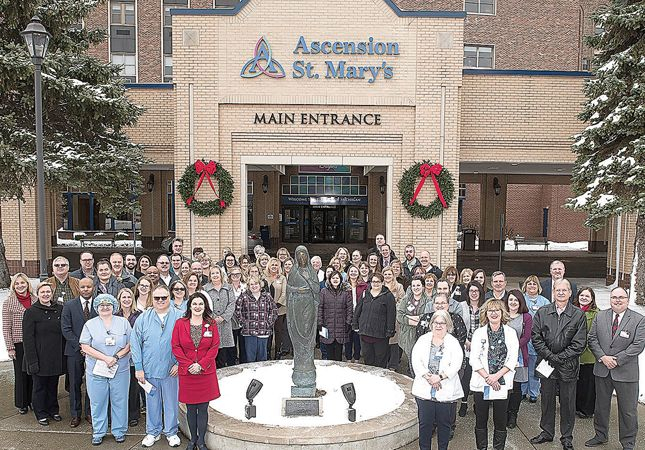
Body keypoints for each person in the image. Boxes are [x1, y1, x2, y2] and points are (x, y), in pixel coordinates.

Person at [585, 287, 645, 450]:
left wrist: (617, 360)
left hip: (626, 373)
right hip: (602, 369)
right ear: (610, 299)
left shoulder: (639, 319)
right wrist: (603, 357)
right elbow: (592, 339)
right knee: (601, 406)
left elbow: (638, 345)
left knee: (628, 410)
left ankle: (628, 442)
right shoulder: (600, 316)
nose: (617, 300)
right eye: (614, 297)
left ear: (627, 299)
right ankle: (600, 435)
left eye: (621, 297)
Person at [530, 279, 587, 450]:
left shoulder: (578, 314)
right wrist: (549, 356)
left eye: (565, 290)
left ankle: (567, 437)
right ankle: (546, 432)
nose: (561, 293)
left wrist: (559, 358)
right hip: (546, 364)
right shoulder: (543, 311)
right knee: (546, 400)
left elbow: (579, 343)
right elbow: (536, 337)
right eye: (558, 290)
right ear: (553, 292)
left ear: (570, 293)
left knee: (568, 403)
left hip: (567, 366)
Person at [131, 285, 183, 448]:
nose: (160, 301)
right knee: (152, 401)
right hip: (149, 369)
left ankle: (171, 432)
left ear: (170, 298)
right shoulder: (143, 318)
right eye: (157, 298)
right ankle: (153, 432)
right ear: (151, 299)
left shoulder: (180, 317)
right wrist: (138, 367)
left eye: (164, 297)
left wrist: (180, 363)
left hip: (171, 369)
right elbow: (135, 343)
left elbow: (187, 343)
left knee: (171, 401)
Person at [79, 294, 132, 445]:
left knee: (120, 400)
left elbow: (130, 343)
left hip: (120, 368)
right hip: (96, 370)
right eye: (101, 305)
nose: (105, 307)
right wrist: (105, 358)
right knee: (97, 401)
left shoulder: (123, 323)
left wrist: (116, 357)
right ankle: (99, 431)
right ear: (96, 307)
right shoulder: (90, 324)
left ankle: (119, 430)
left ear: (114, 306)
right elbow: (85, 346)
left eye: (108, 304)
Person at [172, 293, 221, 450]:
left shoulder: (211, 323)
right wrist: (188, 365)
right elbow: (176, 346)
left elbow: (214, 347)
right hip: (188, 373)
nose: (198, 307)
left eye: (201, 304)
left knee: (203, 409)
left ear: (205, 306)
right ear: (190, 306)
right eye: (195, 304)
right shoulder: (180, 323)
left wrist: (201, 364)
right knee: (190, 409)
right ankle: (192, 439)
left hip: (205, 372)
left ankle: (201, 441)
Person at [416, 293, 468, 441]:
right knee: (425, 421)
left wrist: (440, 377)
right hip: (426, 383)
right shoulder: (423, 334)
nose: (438, 325)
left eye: (443, 303)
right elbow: (416, 359)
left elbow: (457, 358)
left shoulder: (454, 334)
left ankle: (446, 434)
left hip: (446, 381)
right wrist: (428, 377)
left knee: (446, 418)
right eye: (436, 323)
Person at [469, 299, 519, 450]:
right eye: (490, 310)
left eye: (497, 310)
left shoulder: (510, 333)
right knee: (481, 419)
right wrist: (488, 378)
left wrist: (496, 377)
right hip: (482, 382)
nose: (494, 313)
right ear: (486, 313)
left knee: (500, 419)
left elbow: (512, 359)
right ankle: (482, 447)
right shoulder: (479, 333)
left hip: (502, 383)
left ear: (502, 313)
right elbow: (474, 359)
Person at [22, 282, 65, 426]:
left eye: (48, 292)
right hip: (39, 356)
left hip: (55, 356)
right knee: (40, 387)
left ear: (52, 294)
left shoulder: (59, 309)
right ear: (38, 294)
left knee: (53, 386)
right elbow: (28, 338)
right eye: (43, 292)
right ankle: (41, 413)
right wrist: (32, 361)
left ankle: (53, 410)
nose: (46, 294)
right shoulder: (31, 312)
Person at [61, 277, 96, 428]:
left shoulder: (100, 304)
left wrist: (91, 348)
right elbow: (66, 328)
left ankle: (89, 412)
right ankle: (75, 414)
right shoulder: (69, 306)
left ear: (93, 287)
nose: (86, 289)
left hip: (95, 352)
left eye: (89, 286)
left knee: (92, 383)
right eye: (83, 287)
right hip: (75, 351)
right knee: (74, 383)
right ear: (79, 288)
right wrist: (81, 346)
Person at [286, 246, 321, 392]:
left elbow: (317, 289)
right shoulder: (293, 272)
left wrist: (309, 286)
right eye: (299, 255)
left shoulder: (311, 272)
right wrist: (296, 290)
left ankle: (308, 367)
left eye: (304, 255)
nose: (302, 258)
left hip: (309, 306)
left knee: (308, 332)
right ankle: (300, 368)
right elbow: (288, 289)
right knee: (298, 334)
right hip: (296, 307)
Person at [2, 273, 36, 415]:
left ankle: (33, 400)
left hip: (34, 342)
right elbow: (6, 327)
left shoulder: (36, 300)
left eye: (23, 283)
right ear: (13, 286)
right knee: (21, 374)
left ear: (27, 284)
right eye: (17, 284)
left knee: (33, 372)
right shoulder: (9, 302)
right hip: (19, 343)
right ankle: (22, 403)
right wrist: (10, 347)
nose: (20, 286)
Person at [352, 272, 396, 368]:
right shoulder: (365, 294)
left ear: (382, 282)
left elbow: (391, 314)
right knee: (368, 359)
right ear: (370, 282)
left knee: (380, 360)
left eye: (378, 282)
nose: (375, 284)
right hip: (365, 333)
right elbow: (358, 309)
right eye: (373, 281)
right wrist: (355, 323)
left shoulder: (388, 296)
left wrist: (390, 330)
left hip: (380, 335)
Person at [504, 289, 533, 429]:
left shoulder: (526, 317)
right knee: (505, 386)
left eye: (516, 300)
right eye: (511, 299)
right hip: (501, 355)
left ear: (520, 301)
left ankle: (513, 414)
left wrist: (512, 346)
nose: (513, 302)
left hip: (519, 356)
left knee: (516, 387)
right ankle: (503, 413)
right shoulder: (502, 315)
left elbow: (526, 337)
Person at [115, 288, 142, 427]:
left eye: (129, 297)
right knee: (120, 388)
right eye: (123, 297)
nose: (126, 300)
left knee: (133, 387)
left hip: (134, 356)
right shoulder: (114, 316)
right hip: (119, 356)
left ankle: (133, 414)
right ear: (119, 299)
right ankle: (120, 414)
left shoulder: (139, 315)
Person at [235, 276, 278, 362]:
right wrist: (244, 323)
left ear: (260, 285)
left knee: (262, 357)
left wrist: (268, 323)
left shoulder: (267, 296)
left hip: (263, 331)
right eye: (251, 284)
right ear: (248, 286)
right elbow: (237, 310)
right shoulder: (243, 297)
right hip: (249, 332)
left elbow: (274, 310)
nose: (254, 286)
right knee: (250, 358)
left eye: (256, 284)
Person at [521, 275, 550, 402]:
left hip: (538, 340)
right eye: (529, 283)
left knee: (535, 367)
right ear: (525, 286)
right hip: (523, 339)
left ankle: (533, 392)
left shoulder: (545, 302)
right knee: (523, 366)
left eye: (534, 284)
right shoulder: (521, 299)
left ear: (538, 287)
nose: (532, 286)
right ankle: (522, 391)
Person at [459, 280, 485, 417]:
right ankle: (463, 402)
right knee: (466, 375)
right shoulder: (461, 306)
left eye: (476, 291)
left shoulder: (485, 307)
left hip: (481, 348)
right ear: (467, 293)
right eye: (471, 291)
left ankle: (477, 403)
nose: (474, 293)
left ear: (480, 292)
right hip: (466, 346)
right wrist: (465, 340)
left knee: (479, 375)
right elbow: (457, 326)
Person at [572, 287, 598, 419]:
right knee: (576, 382)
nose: (584, 298)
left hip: (588, 354)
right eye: (582, 295)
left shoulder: (596, 314)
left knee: (587, 384)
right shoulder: (572, 311)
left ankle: (587, 410)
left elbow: (593, 334)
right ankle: (575, 406)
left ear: (592, 298)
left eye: (587, 296)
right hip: (573, 355)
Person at [204, 266, 237, 368]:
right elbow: (204, 304)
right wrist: (213, 317)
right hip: (211, 323)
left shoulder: (228, 287)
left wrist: (223, 317)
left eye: (217, 273)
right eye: (212, 273)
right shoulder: (205, 288)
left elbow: (232, 303)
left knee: (226, 349)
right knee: (214, 348)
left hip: (225, 323)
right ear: (210, 276)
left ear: (221, 274)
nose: (215, 275)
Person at [318, 270, 353, 361]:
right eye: (333, 278)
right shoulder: (323, 292)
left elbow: (349, 308)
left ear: (341, 280)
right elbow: (320, 308)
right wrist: (320, 324)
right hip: (326, 326)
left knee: (338, 354)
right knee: (328, 353)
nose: (335, 280)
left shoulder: (345, 293)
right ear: (329, 279)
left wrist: (348, 322)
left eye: (337, 278)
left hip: (341, 326)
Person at [397, 275, 429, 371]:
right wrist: (411, 320)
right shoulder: (405, 299)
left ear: (423, 287)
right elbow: (399, 315)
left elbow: (428, 316)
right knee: (411, 358)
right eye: (413, 286)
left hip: (422, 334)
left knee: (421, 359)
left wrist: (413, 317)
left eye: (418, 285)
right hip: (407, 334)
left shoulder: (428, 301)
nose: (416, 288)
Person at [264, 257, 288, 360]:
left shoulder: (282, 278)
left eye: (276, 265)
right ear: (269, 266)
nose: (274, 267)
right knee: (268, 332)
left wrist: (276, 305)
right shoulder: (264, 278)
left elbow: (284, 293)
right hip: (266, 311)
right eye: (272, 265)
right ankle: (267, 353)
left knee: (278, 332)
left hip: (279, 310)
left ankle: (278, 353)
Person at [383, 267, 405, 370]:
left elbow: (402, 301)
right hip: (382, 317)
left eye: (389, 274)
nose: (387, 276)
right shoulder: (380, 286)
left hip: (395, 317)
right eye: (385, 274)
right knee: (383, 342)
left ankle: (393, 365)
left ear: (393, 275)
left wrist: (392, 308)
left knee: (394, 343)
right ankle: (384, 363)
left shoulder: (399, 286)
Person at [345, 265, 367, 363]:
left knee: (357, 339)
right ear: (348, 273)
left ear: (358, 273)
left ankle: (357, 358)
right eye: (351, 271)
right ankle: (348, 358)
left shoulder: (364, 286)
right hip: (346, 315)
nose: (353, 273)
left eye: (355, 271)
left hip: (359, 315)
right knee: (347, 338)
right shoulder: (344, 286)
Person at [228, 265, 247, 364]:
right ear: (230, 276)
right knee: (232, 341)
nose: (235, 276)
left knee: (243, 342)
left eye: (237, 274)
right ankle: (233, 360)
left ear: (241, 275)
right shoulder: (227, 287)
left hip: (243, 318)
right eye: (233, 274)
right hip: (231, 318)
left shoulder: (245, 286)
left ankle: (243, 361)